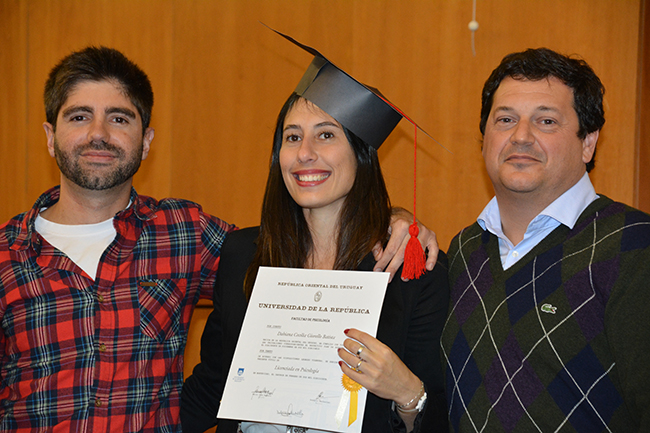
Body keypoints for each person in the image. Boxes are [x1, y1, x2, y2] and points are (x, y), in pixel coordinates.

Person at [0, 46, 437, 432]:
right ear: (50, 138)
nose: (99, 133)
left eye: (119, 118)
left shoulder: (186, 235)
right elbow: (217, 380)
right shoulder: (6, 254)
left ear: (146, 141)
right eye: (79, 116)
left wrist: (396, 219)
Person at [181, 33, 449, 433]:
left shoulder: (411, 269)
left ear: (361, 154)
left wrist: (406, 391)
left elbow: (440, 416)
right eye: (292, 137)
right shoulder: (242, 253)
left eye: (326, 134)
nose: (304, 153)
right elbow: (212, 386)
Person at [441, 48, 650, 432]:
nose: (521, 136)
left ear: (588, 142)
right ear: (484, 138)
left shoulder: (634, 246)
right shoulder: (464, 251)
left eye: (546, 121)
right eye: (505, 119)